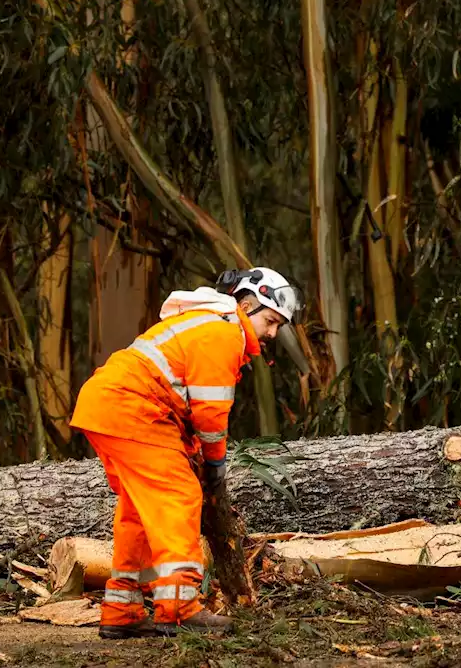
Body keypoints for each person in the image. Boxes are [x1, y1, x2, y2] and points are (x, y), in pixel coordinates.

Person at [70, 268, 302, 638]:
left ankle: (123, 608)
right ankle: (178, 607)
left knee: (138, 510)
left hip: (111, 405)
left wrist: (196, 452)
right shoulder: (223, 332)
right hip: (133, 409)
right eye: (271, 321)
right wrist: (215, 464)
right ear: (246, 304)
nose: (273, 333)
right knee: (178, 496)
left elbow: (185, 403)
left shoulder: (206, 324)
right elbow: (210, 415)